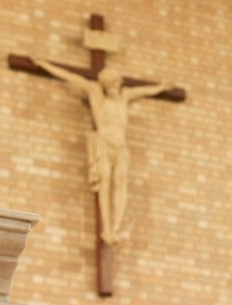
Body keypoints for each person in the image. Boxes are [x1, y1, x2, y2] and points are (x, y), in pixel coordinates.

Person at [32, 58, 173, 244]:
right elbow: (70, 77)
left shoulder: (125, 96)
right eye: (111, 83)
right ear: (105, 84)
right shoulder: (96, 95)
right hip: (104, 143)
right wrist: (44, 65)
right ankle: (107, 228)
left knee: (121, 179)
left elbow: (146, 90)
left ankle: (116, 227)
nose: (115, 86)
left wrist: (162, 86)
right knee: (105, 180)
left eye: (116, 82)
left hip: (121, 146)